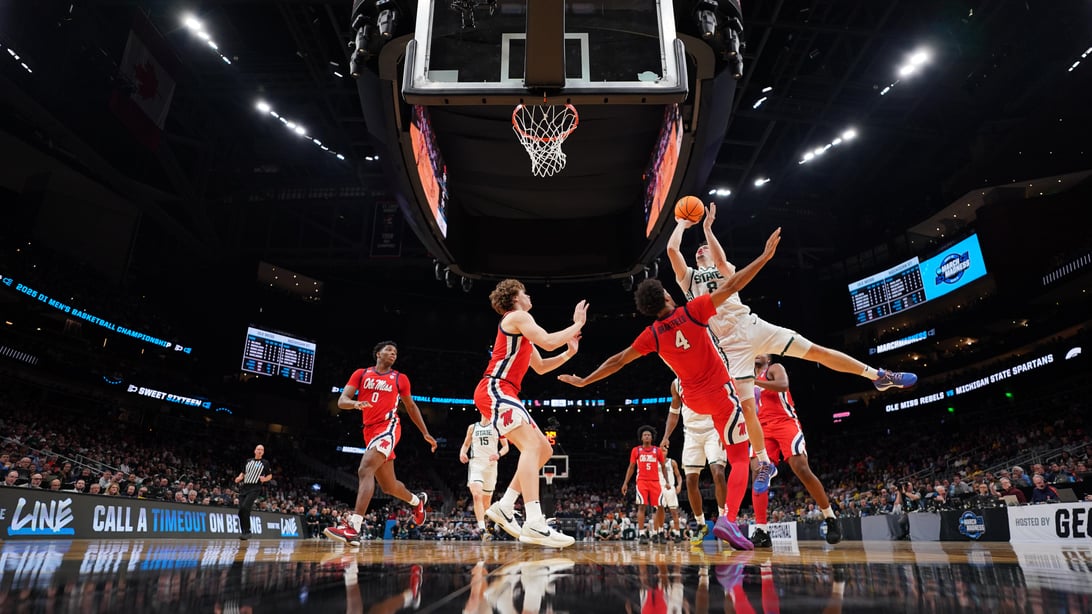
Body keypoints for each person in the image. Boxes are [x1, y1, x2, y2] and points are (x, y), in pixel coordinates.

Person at [559, 227, 783, 549]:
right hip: (720, 395)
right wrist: (764, 257)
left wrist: (584, 381)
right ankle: (727, 519)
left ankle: (715, 519)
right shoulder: (693, 310)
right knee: (739, 459)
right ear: (665, 297)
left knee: (708, 460)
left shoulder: (651, 334)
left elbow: (617, 361)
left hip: (693, 401)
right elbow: (733, 284)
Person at [665, 204, 917, 486]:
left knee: (815, 351)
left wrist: (708, 229)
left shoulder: (725, 270)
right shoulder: (689, 281)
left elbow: (722, 261)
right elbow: (673, 251)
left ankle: (879, 376)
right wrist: (682, 224)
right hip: (728, 348)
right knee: (748, 408)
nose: (700, 250)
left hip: (752, 326)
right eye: (698, 249)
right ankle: (763, 462)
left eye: (705, 248)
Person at [477, 279, 587, 548]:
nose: (528, 295)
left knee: (544, 451)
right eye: (524, 292)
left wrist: (569, 353)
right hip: (495, 388)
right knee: (530, 447)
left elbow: (539, 365)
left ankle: (504, 506)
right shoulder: (518, 316)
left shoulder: (522, 329)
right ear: (515, 297)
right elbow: (548, 341)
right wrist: (577, 324)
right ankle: (535, 520)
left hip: (506, 392)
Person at [325, 340, 438, 546]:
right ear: (378, 353)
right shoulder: (361, 373)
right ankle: (417, 501)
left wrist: (425, 432)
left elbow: (411, 406)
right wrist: (355, 403)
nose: (393, 353)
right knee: (389, 486)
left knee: (364, 468)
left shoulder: (400, 378)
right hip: (369, 430)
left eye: (395, 351)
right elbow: (342, 400)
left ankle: (353, 528)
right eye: (388, 350)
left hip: (388, 427)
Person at [749, 353, 842, 547]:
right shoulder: (747, 377)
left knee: (800, 467)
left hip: (784, 422)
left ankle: (830, 517)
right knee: (757, 471)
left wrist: (755, 382)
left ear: (769, 358)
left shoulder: (774, 369)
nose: (757, 353)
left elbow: (783, 385)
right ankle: (762, 530)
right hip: (762, 429)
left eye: (762, 351)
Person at [660, 377, 728, 545]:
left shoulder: (707, 373)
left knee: (718, 473)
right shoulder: (676, 384)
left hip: (714, 429)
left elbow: (726, 402)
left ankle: (725, 522)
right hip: (691, 433)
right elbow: (674, 413)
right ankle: (701, 525)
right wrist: (666, 436)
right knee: (690, 480)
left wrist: (725, 429)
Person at [459, 416, 510, 540]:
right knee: (476, 495)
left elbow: (506, 447)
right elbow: (466, 444)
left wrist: (498, 454)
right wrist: (462, 453)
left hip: (491, 467)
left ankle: (490, 526)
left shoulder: (498, 426)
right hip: (476, 464)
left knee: (487, 504)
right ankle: (482, 530)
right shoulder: (472, 427)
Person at [621, 425, 673, 544]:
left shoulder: (657, 450)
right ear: (641, 437)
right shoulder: (636, 450)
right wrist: (625, 483)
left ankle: (659, 532)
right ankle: (642, 533)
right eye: (645, 435)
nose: (647, 436)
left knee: (660, 507)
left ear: (652, 437)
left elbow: (663, 467)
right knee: (642, 507)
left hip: (655, 481)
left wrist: (667, 481)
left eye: (649, 435)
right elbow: (631, 467)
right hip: (642, 482)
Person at [234, 443, 273, 539]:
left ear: (263, 452)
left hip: (255, 488)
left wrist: (265, 479)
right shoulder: (248, 461)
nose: (260, 451)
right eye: (258, 449)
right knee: (240, 512)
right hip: (244, 488)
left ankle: (247, 531)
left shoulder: (265, 463)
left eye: (262, 450)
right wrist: (239, 478)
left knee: (245, 508)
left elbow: (270, 475)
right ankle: (244, 532)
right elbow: (243, 473)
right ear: (255, 451)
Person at [654, 455, 685, 543]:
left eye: (665, 449)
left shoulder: (672, 462)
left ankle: (678, 534)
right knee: (659, 511)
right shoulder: (654, 462)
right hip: (659, 488)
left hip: (670, 488)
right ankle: (658, 533)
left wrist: (679, 485)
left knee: (674, 512)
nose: (664, 451)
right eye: (662, 449)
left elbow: (678, 476)